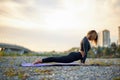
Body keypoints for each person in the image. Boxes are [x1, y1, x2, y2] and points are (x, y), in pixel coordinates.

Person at [33, 30, 98, 64]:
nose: (93, 39)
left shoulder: (84, 39)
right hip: (74, 56)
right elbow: (85, 53)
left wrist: (81, 61)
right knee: (56, 59)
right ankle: (40, 60)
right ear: (92, 35)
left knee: (57, 58)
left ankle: (40, 60)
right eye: (94, 37)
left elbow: (83, 52)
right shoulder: (86, 40)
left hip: (75, 55)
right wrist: (83, 63)